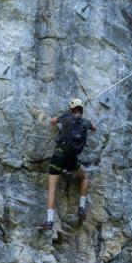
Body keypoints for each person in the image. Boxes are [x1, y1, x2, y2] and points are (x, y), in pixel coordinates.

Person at [41, 98, 95, 231]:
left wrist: (64, 117)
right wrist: (85, 120)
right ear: (81, 110)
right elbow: (94, 127)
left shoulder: (66, 117)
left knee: (52, 187)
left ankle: (49, 221)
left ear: (71, 109)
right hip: (71, 159)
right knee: (84, 177)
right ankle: (81, 208)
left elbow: (52, 121)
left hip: (59, 156)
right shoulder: (86, 122)